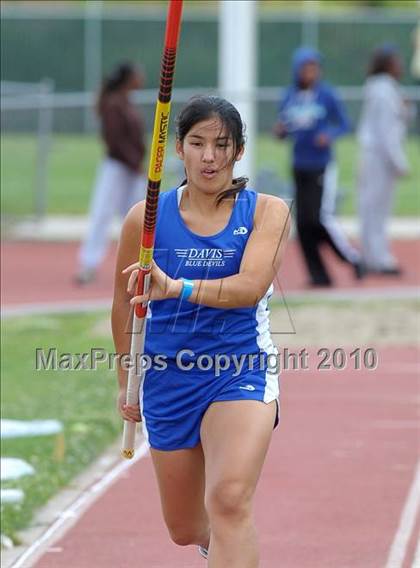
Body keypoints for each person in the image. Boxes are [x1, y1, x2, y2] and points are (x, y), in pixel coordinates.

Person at [112, 96, 291, 567]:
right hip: (168, 379)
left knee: (230, 499)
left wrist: (177, 287)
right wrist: (122, 381)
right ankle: (222, 549)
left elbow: (250, 287)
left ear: (238, 152)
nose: (209, 156)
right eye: (197, 143)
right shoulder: (144, 220)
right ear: (178, 149)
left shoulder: (266, 212)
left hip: (239, 369)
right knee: (186, 527)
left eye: (221, 145)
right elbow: (122, 305)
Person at [274, 46, 365, 287]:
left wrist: (328, 134)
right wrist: (280, 131)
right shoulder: (289, 96)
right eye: (306, 67)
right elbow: (283, 129)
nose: (311, 72)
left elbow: (344, 124)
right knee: (302, 223)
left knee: (319, 218)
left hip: (321, 164)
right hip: (299, 164)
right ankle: (318, 275)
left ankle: (353, 259)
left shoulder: (327, 94)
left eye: (315, 67)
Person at [75, 62, 146, 285]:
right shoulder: (114, 104)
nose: (141, 78)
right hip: (117, 167)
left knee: (139, 214)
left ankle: (144, 263)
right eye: (137, 74)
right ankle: (88, 264)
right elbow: (115, 141)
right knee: (102, 213)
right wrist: (134, 163)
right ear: (128, 78)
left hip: (131, 169)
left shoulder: (125, 102)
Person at [357, 45, 410, 275]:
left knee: (371, 208)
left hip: (374, 154)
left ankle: (372, 256)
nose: (401, 66)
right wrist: (399, 162)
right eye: (396, 61)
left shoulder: (381, 88)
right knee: (376, 209)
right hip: (379, 156)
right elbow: (386, 131)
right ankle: (378, 258)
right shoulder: (384, 91)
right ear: (388, 64)